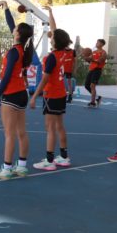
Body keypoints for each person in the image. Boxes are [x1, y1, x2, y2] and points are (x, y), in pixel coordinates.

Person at [0, 1, 34, 180]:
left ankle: (6, 168)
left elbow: (6, 77)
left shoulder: (14, 52)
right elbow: (12, 25)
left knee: (9, 134)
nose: (13, 29)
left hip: (11, 94)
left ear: (18, 35)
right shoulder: (22, 49)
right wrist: (6, 8)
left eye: (16, 30)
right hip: (22, 94)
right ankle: (21, 166)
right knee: (21, 132)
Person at [29, 24, 73, 171]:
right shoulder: (63, 53)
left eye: (52, 37)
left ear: (55, 41)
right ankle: (64, 156)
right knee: (60, 126)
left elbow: (45, 79)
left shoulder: (52, 57)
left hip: (52, 95)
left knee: (50, 129)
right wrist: (50, 13)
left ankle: (49, 160)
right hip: (61, 94)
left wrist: (35, 96)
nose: (51, 38)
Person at [84, 39, 107, 108]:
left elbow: (100, 61)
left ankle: (93, 102)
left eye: (98, 42)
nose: (96, 43)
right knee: (86, 85)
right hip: (91, 69)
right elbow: (89, 60)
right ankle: (97, 97)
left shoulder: (103, 52)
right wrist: (85, 57)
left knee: (92, 86)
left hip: (97, 70)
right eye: (96, 42)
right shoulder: (93, 52)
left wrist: (91, 59)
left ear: (102, 44)